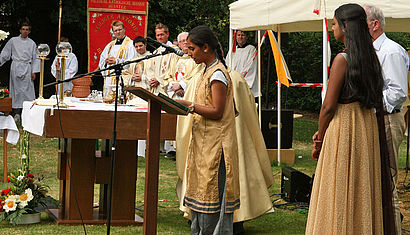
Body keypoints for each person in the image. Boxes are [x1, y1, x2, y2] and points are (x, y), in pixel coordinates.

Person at [306, 4, 396, 234]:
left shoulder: (342, 60)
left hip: (344, 129)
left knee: (338, 188)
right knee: (362, 189)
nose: (332, 27)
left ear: (345, 27)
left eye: (334, 23)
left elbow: (328, 107)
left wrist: (320, 138)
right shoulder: (372, 59)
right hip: (366, 129)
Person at [176, 66, 274, 235]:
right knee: (230, 176)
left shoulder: (210, 78)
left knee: (217, 179)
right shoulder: (234, 77)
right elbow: (250, 110)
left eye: (193, 49)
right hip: (234, 135)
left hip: (217, 136)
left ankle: (215, 222)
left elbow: (207, 112)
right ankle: (227, 220)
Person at [176, 25, 240, 234]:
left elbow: (218, 111)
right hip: (204, 145)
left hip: (217, 147)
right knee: (201, 193)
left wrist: (189, 106)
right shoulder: (206, 70)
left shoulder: (218, 74)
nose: (189, 53)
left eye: (192, 49)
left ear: (205, 48)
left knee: (213, 196)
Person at [364, 5, 410, 233]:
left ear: (375, 24)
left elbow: (398, 92)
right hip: (378, 118)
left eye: (362, 21)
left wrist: (369, 104)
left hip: (388, 119)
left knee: (388, 180)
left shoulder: (390, 51)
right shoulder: (372, 49)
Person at [0, 22, 40, 123]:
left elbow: (36, 58)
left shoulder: (32, 43)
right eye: (23, 29)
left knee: (27, 91)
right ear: (20, 30)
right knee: (16, 90)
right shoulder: (13, 41)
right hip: (16, 67)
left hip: (27, 67)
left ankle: (26, 114)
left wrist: (34, 71)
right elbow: (5, 53)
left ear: (29, 31)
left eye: (27, 29)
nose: (25, 31)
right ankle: (16, 113)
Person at [98, 20, 137, 99]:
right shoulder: (110, 45)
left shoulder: (130, 44)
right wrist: (106, 62)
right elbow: (102, 60)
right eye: (115, 30)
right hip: (109, 79)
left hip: (121, 79)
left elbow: (132, 62)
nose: (118, 32)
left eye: (120, 29)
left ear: (124, 30)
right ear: (113, 32)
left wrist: (117, 61)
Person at [226, 30, 260, 101]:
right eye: (238, 35)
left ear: (246, 37)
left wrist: (239, 80)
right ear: (235, 37)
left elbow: (250, 67)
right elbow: (227, 66)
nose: (240, 37)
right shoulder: (232, 50)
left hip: (246, 84)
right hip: (233, 84)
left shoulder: (251, 49)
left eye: (242, 35)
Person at [144, 23, 176, 95]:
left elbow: (173, 69)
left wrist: (159, 79)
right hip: (156, 88)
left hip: (167, 87)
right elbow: (149, 68)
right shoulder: (156, 52)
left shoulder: (174, 50)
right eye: (158, 35)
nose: (160, 37)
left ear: (167, 34)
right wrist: (152, 79)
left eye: (162, 35)